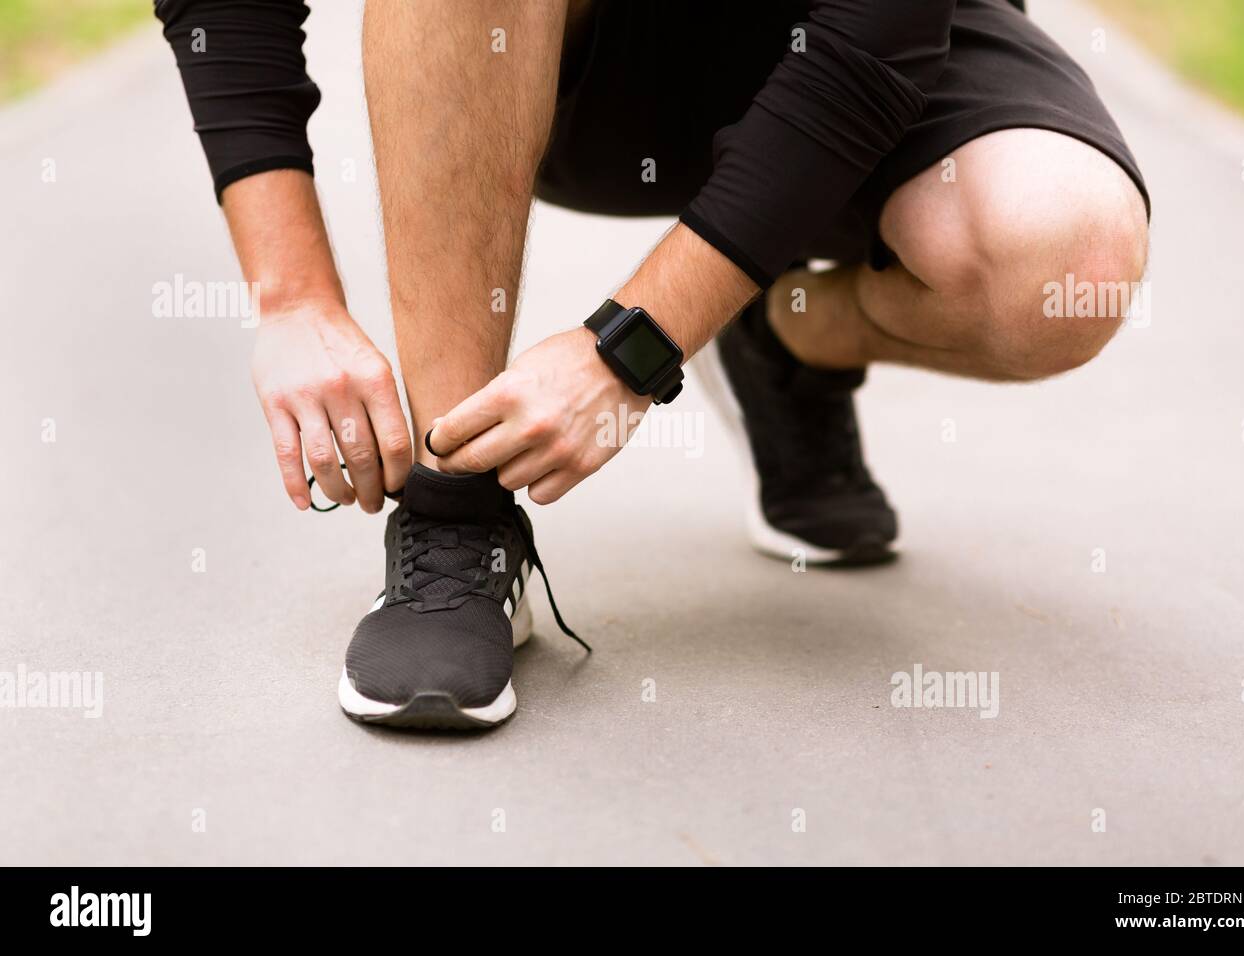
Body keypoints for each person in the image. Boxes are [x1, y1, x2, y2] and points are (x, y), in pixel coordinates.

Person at [154, 0, 1149, 729]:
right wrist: (294, 299)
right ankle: (455, 502)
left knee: (1070, 260)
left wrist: (632, 348)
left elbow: (876, 41)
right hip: (555, 46)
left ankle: (784, 340)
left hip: (866, 45)